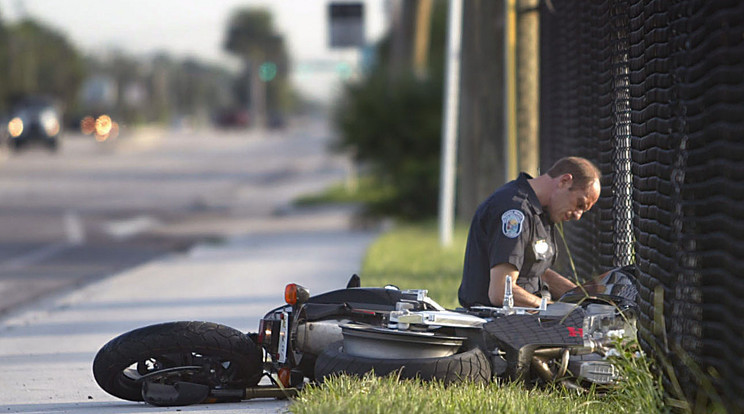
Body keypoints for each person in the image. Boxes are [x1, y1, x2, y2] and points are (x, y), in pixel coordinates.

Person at [458, 156, 601, 308]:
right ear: (564, 181)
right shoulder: (514, 210)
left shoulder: (541, 210)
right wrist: (557, 311)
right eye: (580, 204)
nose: (578, 216)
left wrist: (585, 300)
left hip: (524, 317)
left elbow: (536, 271)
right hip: (497, 322)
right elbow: (501, 293)